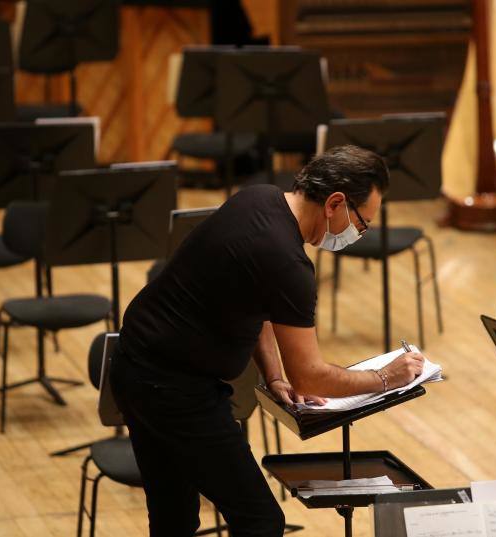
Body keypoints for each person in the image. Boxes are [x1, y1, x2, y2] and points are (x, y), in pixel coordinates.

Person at [111, 145, 426, 537]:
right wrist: (385, 378)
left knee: (173, 519)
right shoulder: (289, 265)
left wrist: (275, 376)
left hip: (134, 366)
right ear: (335, 203)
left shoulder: (258, 199)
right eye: (361, 224)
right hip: (176, 392)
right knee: (260, 522)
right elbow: (310, 377)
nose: (358, 235)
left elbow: (252, 298)